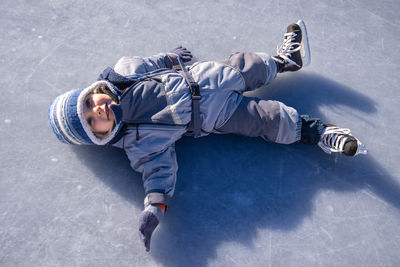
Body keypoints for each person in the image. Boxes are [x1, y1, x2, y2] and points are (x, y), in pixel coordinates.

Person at [48, 20, 367, 252]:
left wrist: (171, 58)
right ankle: (320, 132)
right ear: (98, 137)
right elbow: (158, 172)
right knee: (267, 121)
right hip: (217, 115)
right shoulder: (137, 142)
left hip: (210, 74)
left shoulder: (122, 71)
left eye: (89, 103)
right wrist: (154, 208)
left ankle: (285, 60)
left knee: (253, 64)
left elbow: (151, 64)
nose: (98, 111)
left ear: (91, 92)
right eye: (91, 122)